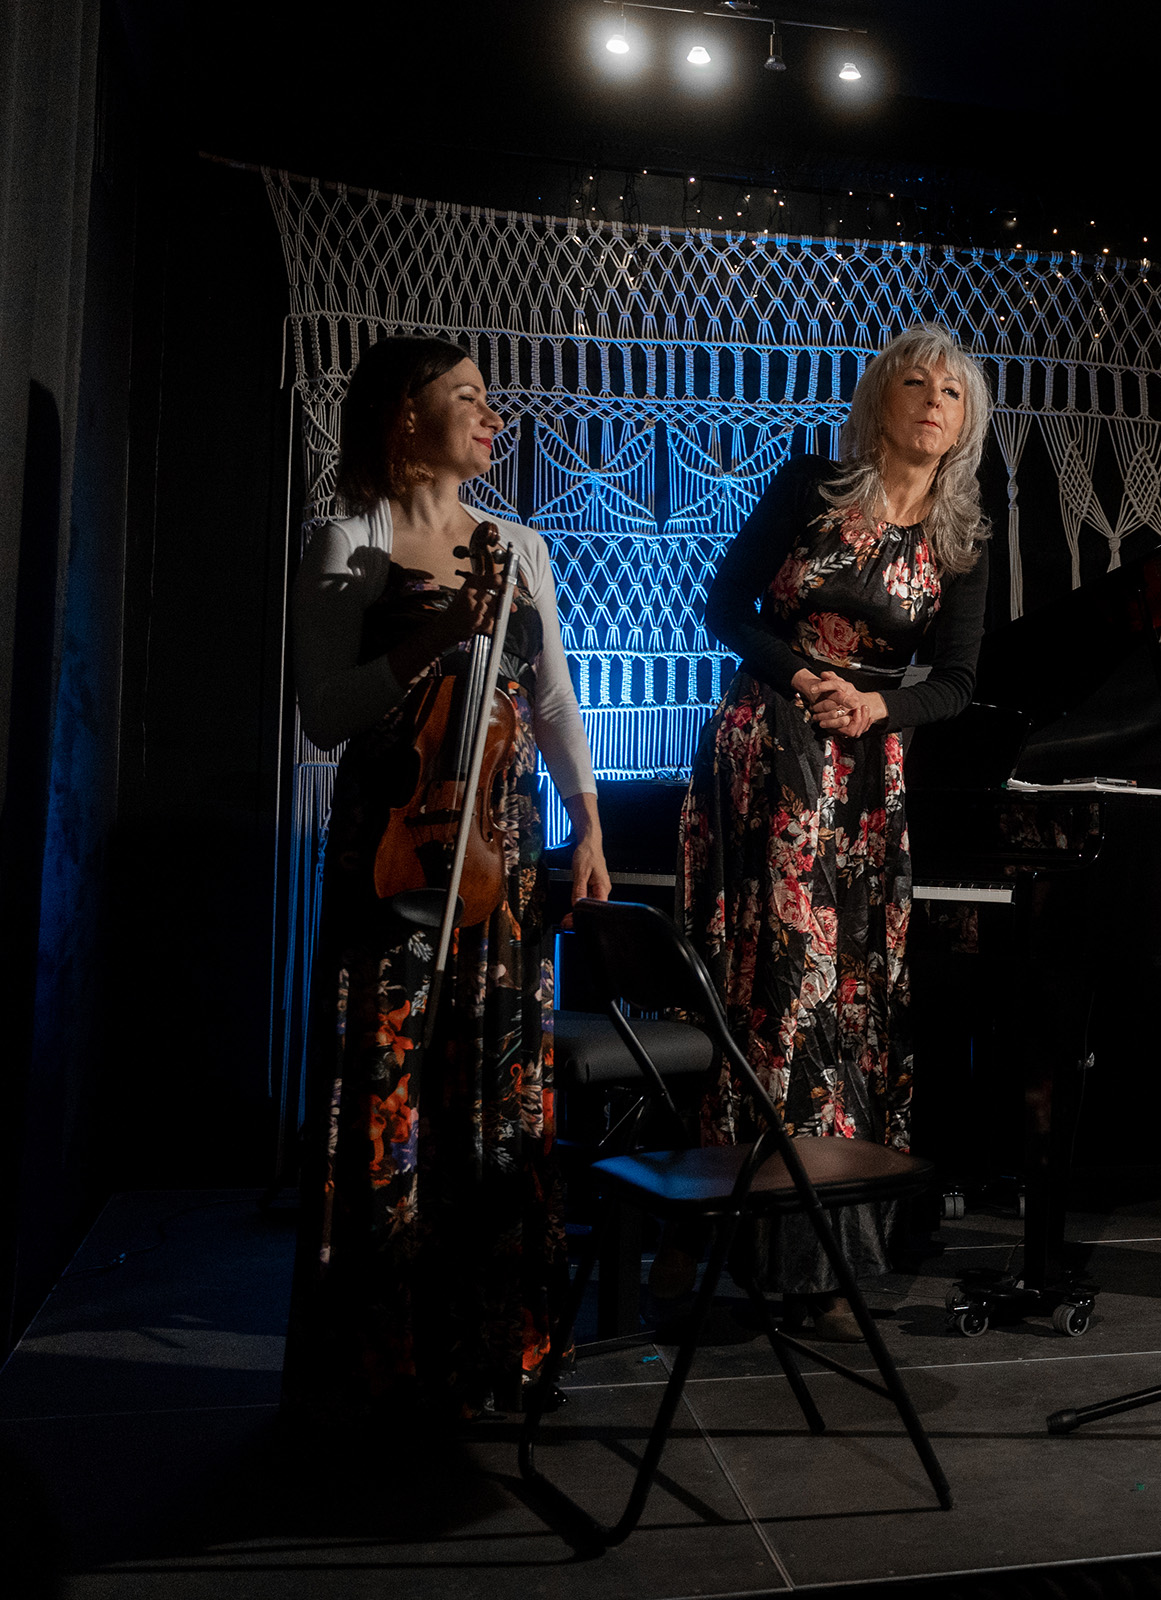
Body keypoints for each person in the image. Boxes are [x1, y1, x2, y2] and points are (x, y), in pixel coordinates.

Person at [283, 336, 611, 1425]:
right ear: (404, 415)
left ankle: (493, 1349)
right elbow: (323, 714)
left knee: (493, 1091)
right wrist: (428, 635)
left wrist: (589, 825)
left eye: (487, 397)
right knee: (387, 1084)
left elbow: (552, 699)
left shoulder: (519, 545)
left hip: (499, 856)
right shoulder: (351, 539)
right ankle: (379, 1363)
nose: (491, 415)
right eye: (466, 396)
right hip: (392, 849)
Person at [676, 323, 992, 1341]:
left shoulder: (963, 537)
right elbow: (723, 607)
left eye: (953, 391)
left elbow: (958, 683)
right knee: (784, 991)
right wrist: (806, 675)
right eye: (917, 383)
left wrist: (876, 708)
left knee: (848, 1003)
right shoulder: (810, 486)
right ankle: (768, 1254)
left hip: (865, 772)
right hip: (769, 745)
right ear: (879, 401)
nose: (935, 401)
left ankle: (829, 1255)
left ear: (966, 421)